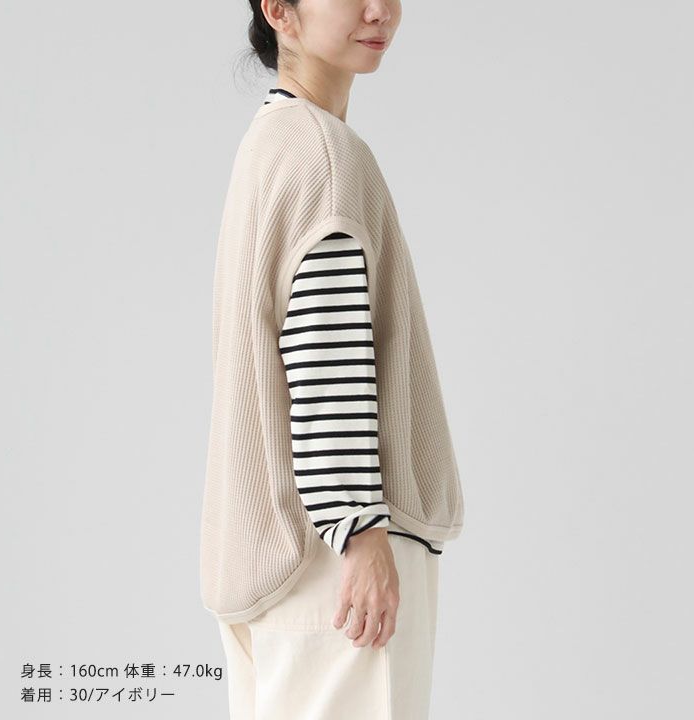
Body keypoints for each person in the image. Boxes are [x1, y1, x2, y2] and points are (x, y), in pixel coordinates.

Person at [199, 1, 464, 717]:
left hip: (275, 561)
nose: (380, 10)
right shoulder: (324, 156)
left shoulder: (270, 142)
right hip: (337, 564)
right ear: (280, 12)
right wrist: (360, 528)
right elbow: (324, 352)